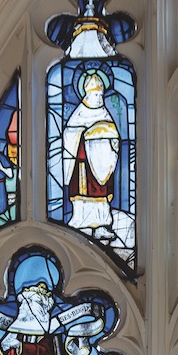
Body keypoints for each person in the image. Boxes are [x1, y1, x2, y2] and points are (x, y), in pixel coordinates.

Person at [61, 69, 121, 234]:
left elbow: (115, 138)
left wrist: (112, 142)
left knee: (101, 196)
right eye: (96, 95)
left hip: (101, 161)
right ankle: (80, 222)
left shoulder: (104, 114)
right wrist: (83, 133)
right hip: (82, 163)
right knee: (81, 194)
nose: (99, 99)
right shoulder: (79, 114)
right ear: (86, 95)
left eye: (100, 96)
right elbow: (68, 134)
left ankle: (102, 225)